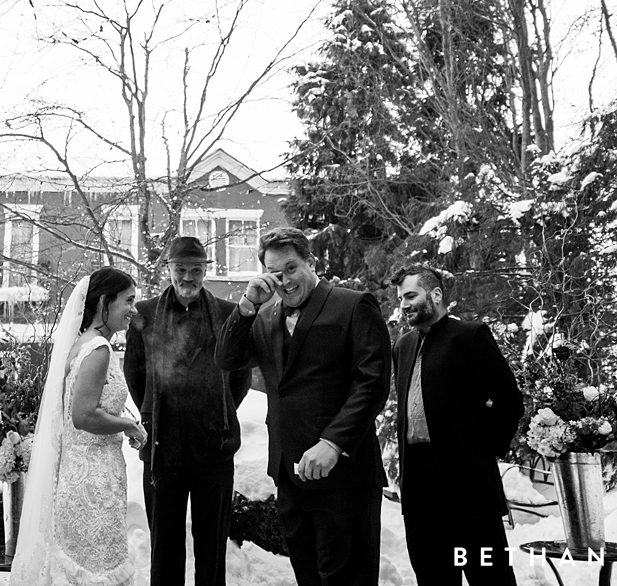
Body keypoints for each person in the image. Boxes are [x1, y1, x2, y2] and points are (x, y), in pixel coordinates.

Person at [215, 227, 391, 586]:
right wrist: (247, 305)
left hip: (344, 475)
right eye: (276, 272)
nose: (285, 280)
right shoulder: (264, 317)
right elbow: (227, 358)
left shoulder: (354, 305)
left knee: (346, 579)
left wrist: (333, 443)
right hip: (289, 475)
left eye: (292, 268)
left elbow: (372, 383)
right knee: (308, 576)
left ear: (311, 263)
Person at [124, 236, 252, 586]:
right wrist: (155, 410)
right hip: (162, 446)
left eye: (196, 270)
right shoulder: (145, 315)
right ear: (168, 270)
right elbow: (134, 374)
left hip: (215, 446)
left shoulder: (228, 314)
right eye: (181, 269)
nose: (188, 278)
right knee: (164, 546)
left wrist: (217, 409)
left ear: (205, 271)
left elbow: (239, 376)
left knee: (212, 547)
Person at [9, 267, 148, 586]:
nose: (133, 309)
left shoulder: (83, 343)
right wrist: (130, 425)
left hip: (82, 475)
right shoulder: (98, 349)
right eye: (128, 300)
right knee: (92, 572)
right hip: (91, 485)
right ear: (104, 303)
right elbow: (83, 415)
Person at [390, 266, 522, 586]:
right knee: (433, 577)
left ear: (435, 295)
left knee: (490, 578)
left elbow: (509, 401)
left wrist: (481, 450)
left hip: (468, 484)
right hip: (419, 487)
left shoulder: (470, 336)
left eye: (411, 295)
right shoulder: (403, 346)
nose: (404, 304)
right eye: (400, 299)